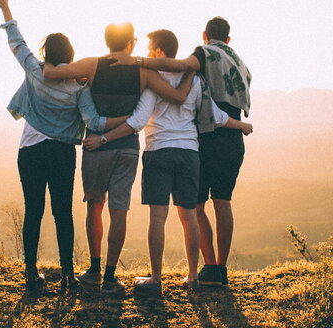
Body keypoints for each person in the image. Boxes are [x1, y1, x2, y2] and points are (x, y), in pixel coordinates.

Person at [83, 29, 252, 293]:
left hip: (159, 151)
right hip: (189, 153)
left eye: (151, 49)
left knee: (158, 217)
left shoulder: (153, 82)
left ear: (160, 52)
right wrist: (239, 125)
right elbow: (214, 115)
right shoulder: (194, 80)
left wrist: (103, 138)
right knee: (190, 217)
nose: (148, 54)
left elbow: (137, 122)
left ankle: (156, 279)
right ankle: (193, 277)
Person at [0, 0, 128, 293]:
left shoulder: (35, 71)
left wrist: (6, 9)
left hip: (30, 150)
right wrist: (129, 121)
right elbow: (93, 121)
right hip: (62, 152)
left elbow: (16, 42)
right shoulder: (78, 85)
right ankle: (68, 275)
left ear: (46, 53)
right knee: (62, 213)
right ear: (70, 55)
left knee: (34, 210)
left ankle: (30, 273)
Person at [42, 24, 194, 294]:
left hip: (95, 147)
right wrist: (193, 69)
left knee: (94, 206)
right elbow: (178, 97)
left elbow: (52, 73)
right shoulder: (143, 72)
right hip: (127, 148)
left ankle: (94, 270)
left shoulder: (91, 65)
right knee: (119, 210)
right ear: (130, 44)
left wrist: (45, 59)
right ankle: (111, 276)